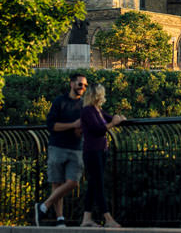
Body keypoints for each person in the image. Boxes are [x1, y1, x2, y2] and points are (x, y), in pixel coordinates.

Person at [35, 73, 88, 227]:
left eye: (84, 85)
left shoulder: (85, 104)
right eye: (80, 84)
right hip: (58, 146)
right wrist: (73, 125)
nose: (82, 88)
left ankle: (43, 206)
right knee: (57, 183)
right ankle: (60, 219)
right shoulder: (60, 102)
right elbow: (51, 126)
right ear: (71, 84)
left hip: (76, 147)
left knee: (73, 182)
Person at [79, 83, 126, 228]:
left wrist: (118, 119)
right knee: (98, 184)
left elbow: (111, 118)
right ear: (97, 96)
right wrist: (113, 123)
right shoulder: (87, 111)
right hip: (92, 151)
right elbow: (98, 129)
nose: (103, 97)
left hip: (101, 150)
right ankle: (108, 218)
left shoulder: (97, 110)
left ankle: (86, 218)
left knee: (94, 184)